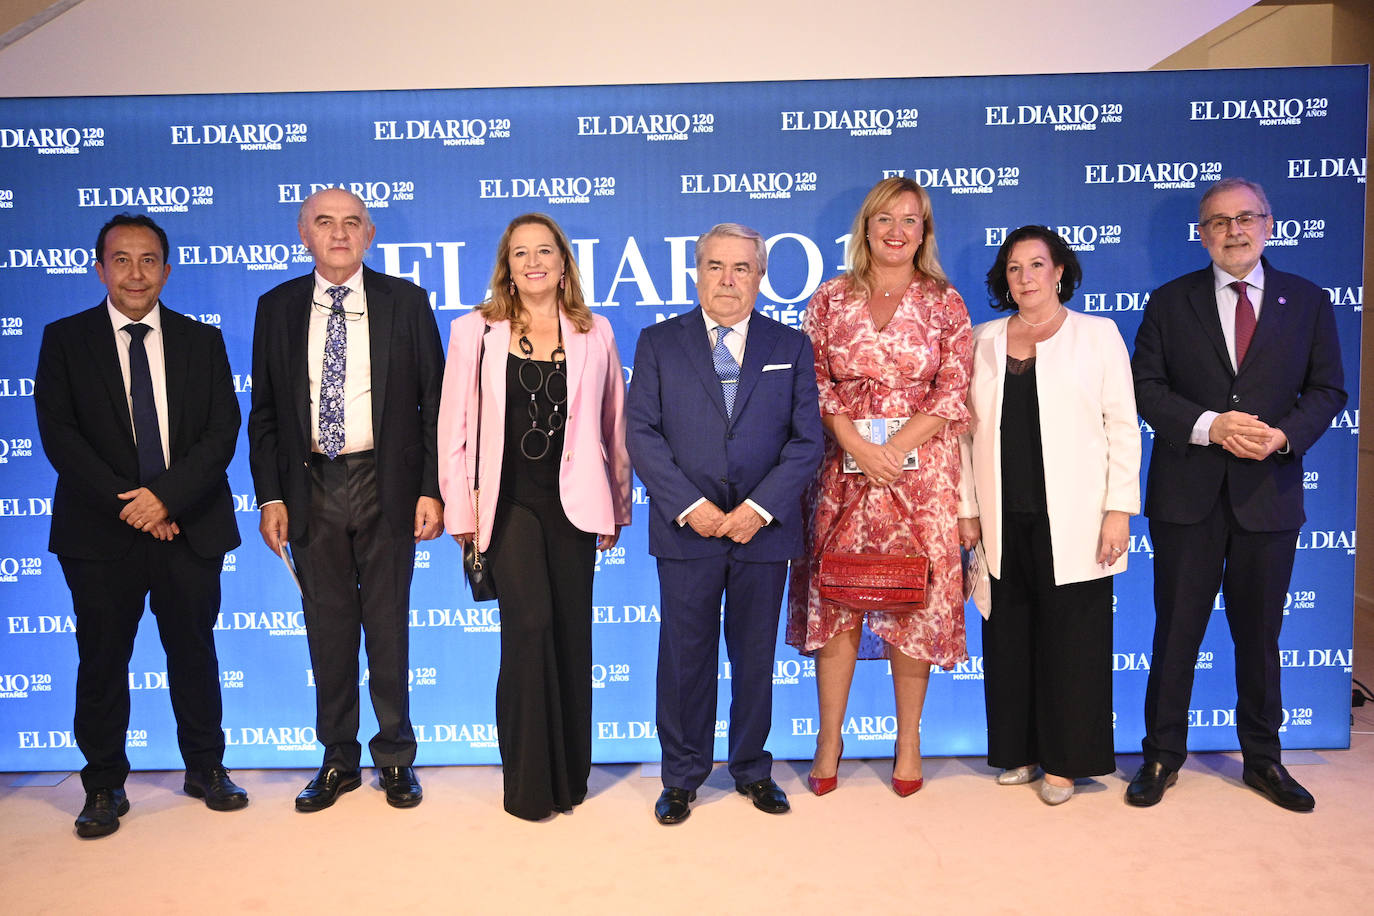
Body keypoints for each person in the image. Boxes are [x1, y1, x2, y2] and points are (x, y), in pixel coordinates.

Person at [1127, 177, 1346, 812]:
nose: (1233, 231)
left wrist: (1282, 436)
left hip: (1268, 495)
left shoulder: (1307, 301)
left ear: (1269, 225)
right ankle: (1161, 756)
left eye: (1246, 218)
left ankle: (1264, 760)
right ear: (1202, 234)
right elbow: (1147, 387)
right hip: (1186, 497)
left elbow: (1329, 390)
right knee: (1175, 635)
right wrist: (1210, 426)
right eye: (1219, 221)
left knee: (1260, 636)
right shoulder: (1170, 302)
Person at [34, 213, 246, 838]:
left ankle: (206, 767)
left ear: (167, 268)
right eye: (121, 260)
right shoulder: (64, 340)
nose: (135, 272)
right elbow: (61, 438)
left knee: (194, 653)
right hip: (100, 535)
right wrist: (134, 505)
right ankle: (103, 785)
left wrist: (165, 500)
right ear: (100, 268)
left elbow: (220, 434)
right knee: (101, 660)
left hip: (190, 527)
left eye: (148, 259)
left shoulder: (201, 340)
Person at [248, 188, 445, 811]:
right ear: (303, 233)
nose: (339, 233)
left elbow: (435, 405)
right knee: (327, 632)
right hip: (310, 488)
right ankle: (336, 759)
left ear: (371, 234)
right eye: (325, 222)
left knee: (388, 628)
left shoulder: (406, 302)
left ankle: (394, 758)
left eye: (352, 222)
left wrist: (432, 489)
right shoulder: (275, 307)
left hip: (386, 483)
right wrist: (270, 495)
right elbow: (266, 415)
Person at [627, 223, 823, 824]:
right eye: (715, 266)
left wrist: (757, 510)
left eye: (741, 268)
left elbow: (806, 442)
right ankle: (682, 776)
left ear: (761, 276)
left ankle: (751, 769)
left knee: (754, 656)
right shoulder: (658, 343)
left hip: (763, 533)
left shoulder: (790, 346)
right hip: (688, 530)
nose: (728, 280)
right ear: (697, 272)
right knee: (684, 658)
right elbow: (642, 434)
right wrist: (693, 507)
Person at [438, 213, 632, 820]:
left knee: (572, 634)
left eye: (544, 250)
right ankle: (527, 786)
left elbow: (613, 424)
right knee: (529, 628)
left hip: (576, 506)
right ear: (506, 266)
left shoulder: (594, 330)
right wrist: (461, 511)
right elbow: (454, 425)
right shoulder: (475, 330)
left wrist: (617, 507)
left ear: (563, 261)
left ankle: (570, 778)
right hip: (508, 504)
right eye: (520, 253)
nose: (533, 262)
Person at [785, 177, 972, 797]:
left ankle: (908, 739)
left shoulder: (945, 301)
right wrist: (859, 447)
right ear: (865, 228)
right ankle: (828, 738)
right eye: (885, 219)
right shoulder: (831, 298)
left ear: (925, 232)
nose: (897, 231)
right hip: (842, 470)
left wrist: (893, 449)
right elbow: (812, 382)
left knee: (913, 599)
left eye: (911, 221)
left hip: (922, 474)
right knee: (838, 595)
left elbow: (952, 389)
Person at [956, 226, 1140, 805]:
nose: (1026, 277)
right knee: (1009, 639)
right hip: (1003, 515)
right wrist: (967, 508)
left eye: (1037, 265)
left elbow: (1122, 426)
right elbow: (962, 436)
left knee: (1074, 641)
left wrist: (1119, 510)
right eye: (1014, 268)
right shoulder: (982, 339)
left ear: (1060, 270)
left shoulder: (1097, 335)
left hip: (1080, 517)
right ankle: (1022, 753)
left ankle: (1067, 763)